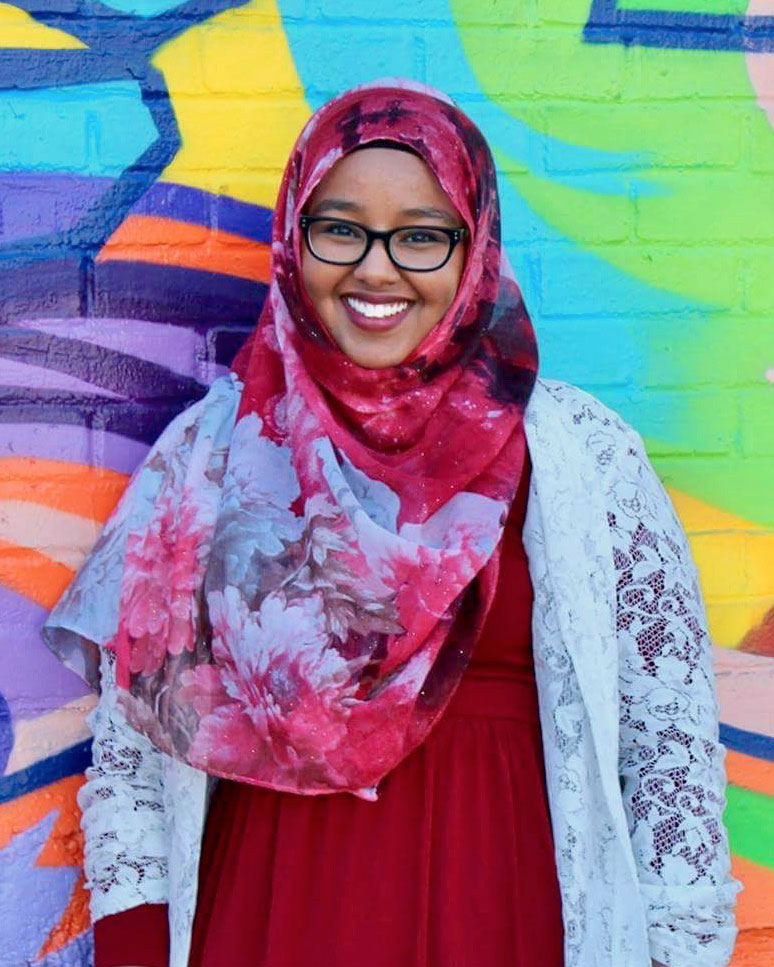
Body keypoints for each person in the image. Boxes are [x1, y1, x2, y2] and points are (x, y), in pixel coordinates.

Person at [43, 79, 741, 967]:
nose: (376, 268)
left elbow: (666, 748)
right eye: (340, 228)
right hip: (270, 914)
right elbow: (138, 754)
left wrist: (682, 950)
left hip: (505, 914)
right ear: (295, 241)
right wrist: (137, 946)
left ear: (474, 250)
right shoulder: (213, 452)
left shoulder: (583, 458)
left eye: (420, 236)